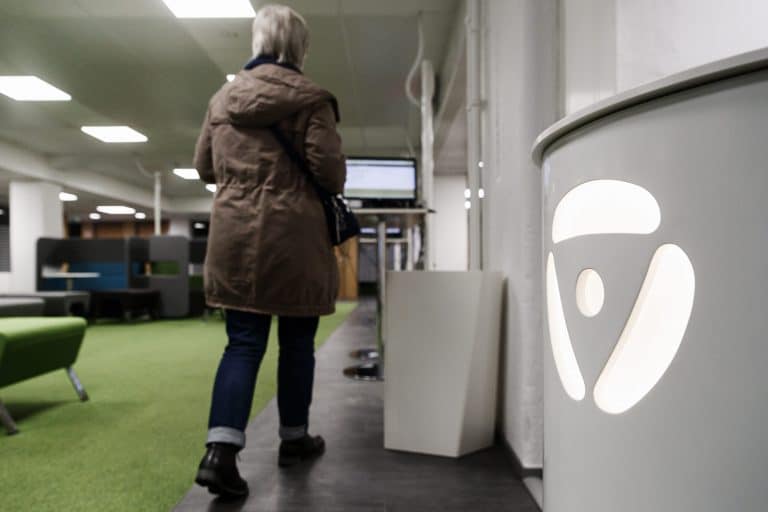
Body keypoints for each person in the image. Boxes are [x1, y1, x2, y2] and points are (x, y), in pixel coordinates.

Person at [191, 4, 346, 499]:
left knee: (242, 343)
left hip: (234, 237)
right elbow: (330, 174)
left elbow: (204, 167)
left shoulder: (222, 100)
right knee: (297, 342)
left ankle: (220, 453)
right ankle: (294, 439)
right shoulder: (313, 100)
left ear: (257, 42)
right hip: (293, 237)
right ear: (299, 48)